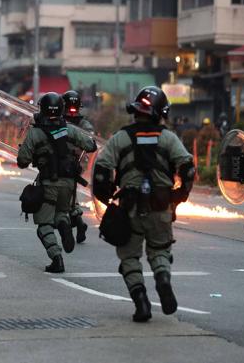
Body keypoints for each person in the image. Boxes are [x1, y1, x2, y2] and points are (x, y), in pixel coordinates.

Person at [92, 86, 195, 322]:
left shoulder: (121, 137)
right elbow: (188, 168)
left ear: (135, 111)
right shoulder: (168, 137)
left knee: (129, 257)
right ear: (160, 113)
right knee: (159, 250)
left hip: (130, 209)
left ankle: (142, 304)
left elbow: (101, 169)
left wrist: (106, 196)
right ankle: (163, 278)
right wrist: (179, 195)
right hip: (161, 207)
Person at [17, 92, 97, 273]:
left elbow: (22, 160)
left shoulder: (35, 132)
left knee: (43, 225)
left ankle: (57, 258)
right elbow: (91, 145)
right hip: (69, 183)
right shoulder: (69, 128)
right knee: (62, 212)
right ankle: (63, 224)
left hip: (49, 182)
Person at [62, 90, 94, 244]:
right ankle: (78, 222)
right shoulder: (83, 123)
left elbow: (90, 142)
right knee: (68, 194)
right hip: (69, 164)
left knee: (63, 194)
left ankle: (75, 222)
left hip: (69, 165)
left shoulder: (82, 124)